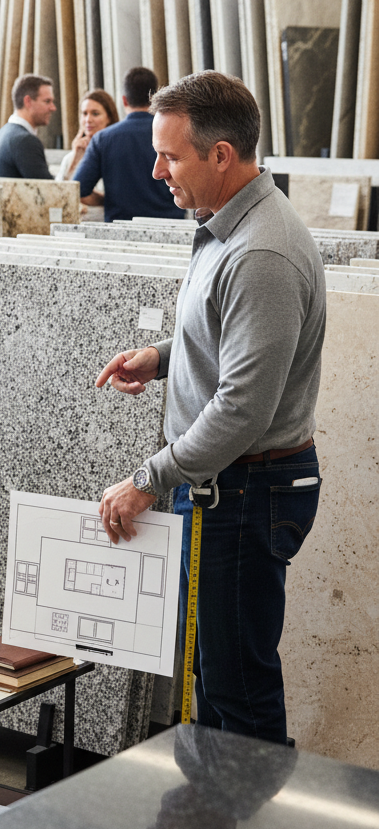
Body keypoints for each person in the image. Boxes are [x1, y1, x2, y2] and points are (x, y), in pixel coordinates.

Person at [95, 71, 326, 745]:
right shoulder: (227, 226)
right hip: (228, 486)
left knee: (240, 694)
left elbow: (244, 409)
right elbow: (227, 340)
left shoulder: (263, 252)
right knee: (217, 679)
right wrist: (161, 357)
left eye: (171, 155)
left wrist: (146, 480)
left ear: (221, 155)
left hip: (248, 490)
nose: (155, 169)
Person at [72, 66, 185, 222]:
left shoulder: (102, 139)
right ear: (156, 97)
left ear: (124, 99)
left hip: (120, 230)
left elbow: (78, 190)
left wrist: (108, 200)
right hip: (172, 226)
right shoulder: (176, 131)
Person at [55, 88, 119, 220]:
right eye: (84, 114)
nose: (88, 119)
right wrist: (75, 158)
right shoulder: (70, 157)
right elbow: (58, 195)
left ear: (109, 118)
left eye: (95, 114)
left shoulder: (116, 153)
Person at [0, 74, 56, 179]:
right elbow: (51, 191)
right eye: (47, 101)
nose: (53, 108)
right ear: (28, 101)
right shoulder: (25, 141)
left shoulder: (2, 133)